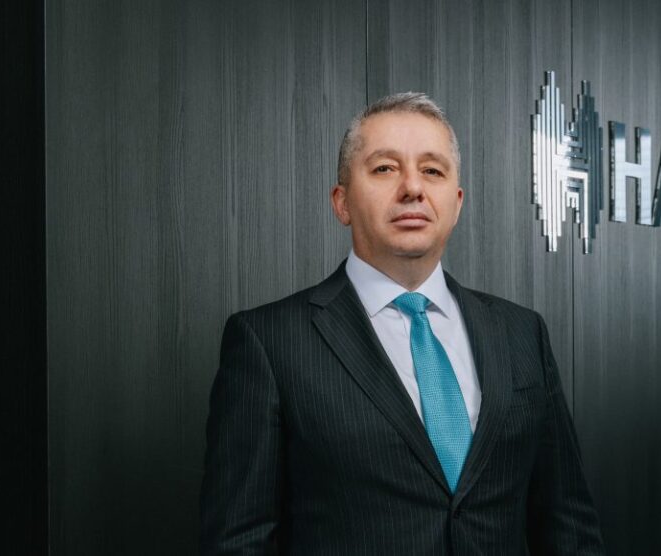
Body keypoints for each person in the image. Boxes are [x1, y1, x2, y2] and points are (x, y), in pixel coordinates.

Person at [199, 92, 605, 555]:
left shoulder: (522, 333)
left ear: (456, 203)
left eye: (432, 171)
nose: (413, 187)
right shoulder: (269, 342)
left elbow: (568, 523)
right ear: (341, 202)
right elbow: (240, 540)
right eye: (384, 168)